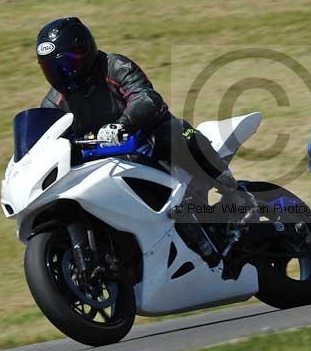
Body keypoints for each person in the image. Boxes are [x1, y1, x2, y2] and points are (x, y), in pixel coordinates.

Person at [36, 17, 257, 266]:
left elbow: (147, 97)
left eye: (67, 64)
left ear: (84, 51)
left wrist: (123, 124)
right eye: (51, 68)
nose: (61, 73)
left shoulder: (113, 67)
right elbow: (46, 140)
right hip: (106, 165)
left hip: (149, 141)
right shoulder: (54, 102)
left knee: (172, 135)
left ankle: (237, 196)